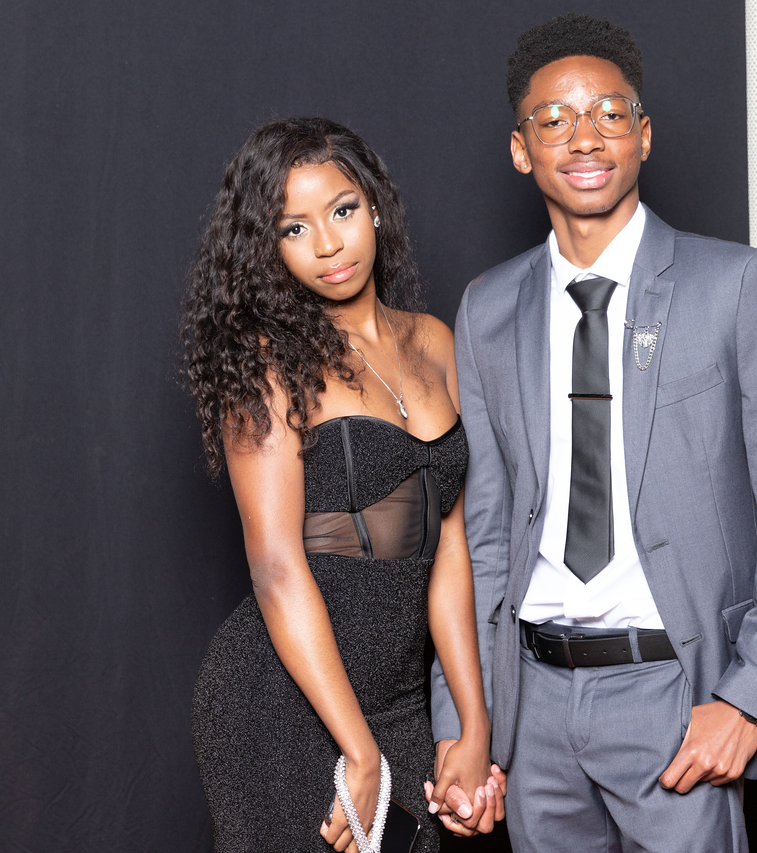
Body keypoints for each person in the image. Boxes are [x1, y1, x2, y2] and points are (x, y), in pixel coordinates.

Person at [427, 15, 757, 853]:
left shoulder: (737, 287)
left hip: (676, 692)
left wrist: (750, 698)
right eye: (554, 119)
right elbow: (486, 538)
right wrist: (466, 719)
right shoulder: (488, 309)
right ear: (521, 150)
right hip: (534, 705)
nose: (585, 136)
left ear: (643, 135)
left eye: (610, 113)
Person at [183, 118, 503, 852]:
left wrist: (473, 722)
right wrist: (359, 754)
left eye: (342, 210)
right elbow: (275, 566)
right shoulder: (265, 365)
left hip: (399, 698)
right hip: (288, 700)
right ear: (267, 248)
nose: (328, 244)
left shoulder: (434, 341)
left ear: (375, 206)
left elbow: (449, 543)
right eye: (294, 228)